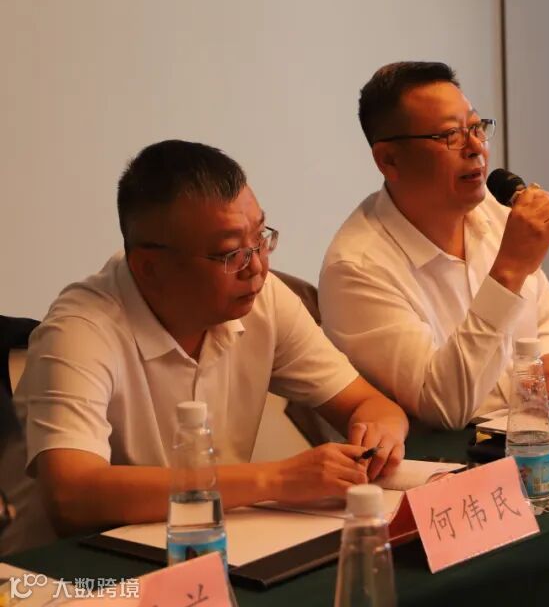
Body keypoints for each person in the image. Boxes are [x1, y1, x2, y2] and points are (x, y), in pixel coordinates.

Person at [15, 141, 408, 535]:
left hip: (209, 541)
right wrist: (276, 479)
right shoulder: (79, 332)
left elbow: (368, 404)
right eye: (230, 253)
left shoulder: (264, 298)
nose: (257, 266)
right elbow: (73, 494)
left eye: (260, 237)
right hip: (77, 563)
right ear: (150, 267)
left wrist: (380, 433)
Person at [320, 61, 549, 430]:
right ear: (389, 160)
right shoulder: (356, 269)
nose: (476, 148)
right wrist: (508, 272)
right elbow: (444, 407)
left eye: (476, 128)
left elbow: (548, 315)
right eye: (450, 135)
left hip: (533, 433)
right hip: (446, 456)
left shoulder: (492, 210)